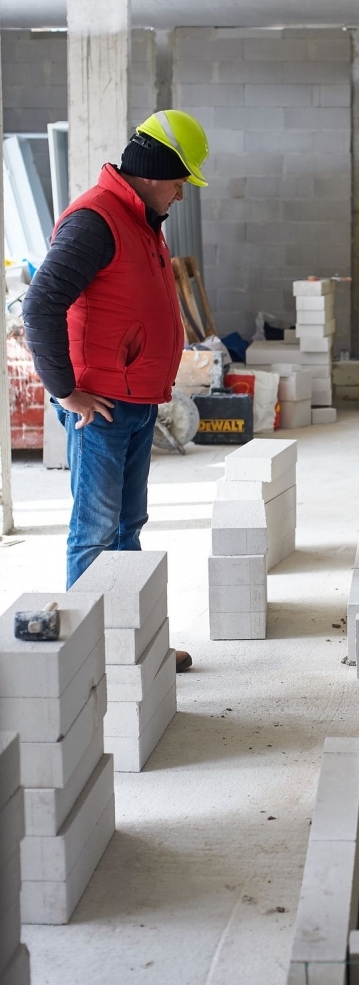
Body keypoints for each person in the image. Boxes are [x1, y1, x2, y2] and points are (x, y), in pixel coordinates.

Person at [22, 110, 210, 673]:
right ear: (157, 173)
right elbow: (40, 305)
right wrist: (65, 391)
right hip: (98, 407)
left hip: (133, 401)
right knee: (96, 531)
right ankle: (88, 657)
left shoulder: (140, 220)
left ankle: (132, 643)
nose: (181, 194)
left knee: (128, 528)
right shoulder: (95, 221)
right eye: (180, 181)